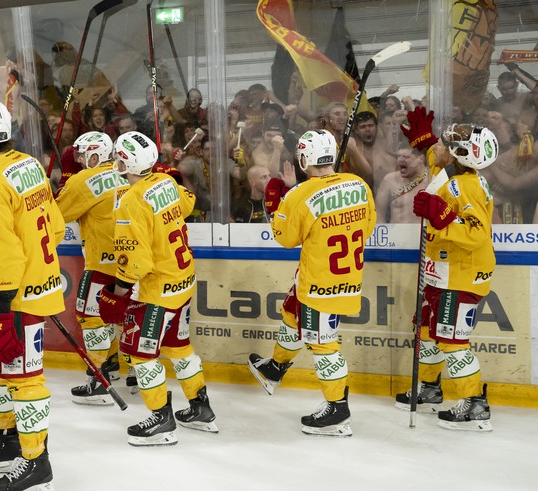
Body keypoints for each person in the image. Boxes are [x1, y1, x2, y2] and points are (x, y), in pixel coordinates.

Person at [248, 129, 376, 437]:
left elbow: (285, 238)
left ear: (304, 159)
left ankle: (337, 410)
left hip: (320, 282)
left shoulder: (300, 195)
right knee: (292, 315)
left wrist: (280, 205)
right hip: (344, 276)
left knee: (323, 344)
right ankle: (275, 368)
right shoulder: (359, 184)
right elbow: (368, 226)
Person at [97, 130, 218, 447]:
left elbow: (135, 262)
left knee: (140, 354)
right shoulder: (167, 183)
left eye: (118, 159)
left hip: (155, 292)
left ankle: (162, 419)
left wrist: (118, 292)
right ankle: (200, 408)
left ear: (126, 162)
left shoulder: (131, 200)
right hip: (183, 281)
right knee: (179, 347)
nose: (116, 163)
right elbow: (188, 204)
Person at [0, 100, 63, 491]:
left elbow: (3, 250)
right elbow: (54, 228)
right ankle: (9, 441)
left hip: (16, 293)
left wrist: (3, 306)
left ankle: (36, 461)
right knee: (0, 368)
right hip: (37, 281)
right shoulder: (30, 164)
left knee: (24, 377)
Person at [393, 107, 498, 432]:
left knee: (452, 341)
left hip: (460, 275)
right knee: (428, 331)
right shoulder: (455, 174)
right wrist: (426, 141)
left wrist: (441, 217)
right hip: (443, 272)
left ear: (464, 153)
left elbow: (477, 234)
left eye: (453, 142)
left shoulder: (467, 186)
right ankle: (429, 387)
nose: (445, 143)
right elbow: (437, 165)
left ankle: (475, 405)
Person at [55, 131, 131, 404]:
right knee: (113, 315)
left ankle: (99, 379)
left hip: (103, 261)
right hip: (131, 260)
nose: (78, 159)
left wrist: (63, 182)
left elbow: (57, 213)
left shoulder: (84, 179)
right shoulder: (124, 171)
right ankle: (113, 364)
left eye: (82, 154)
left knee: (90, 316)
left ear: (94, 153)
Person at [374, 144, 429, 223]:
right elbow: (378, 214)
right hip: (395, 234)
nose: (400, 160)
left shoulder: (432, 180)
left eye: (406, 157)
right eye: (398, 156)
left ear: (421, 159)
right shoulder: (389, 180)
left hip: (422, 234)